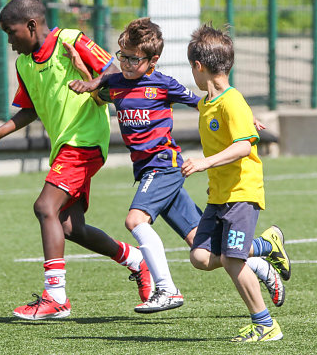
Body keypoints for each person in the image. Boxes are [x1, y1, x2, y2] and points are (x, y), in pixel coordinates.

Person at [68, 17, 287, 313]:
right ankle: (262, 263)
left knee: (135, 221)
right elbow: (98, 95)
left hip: (164, 166)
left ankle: (166, 290)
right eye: (123, 57)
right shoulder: (116, 83)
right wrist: (84, 74)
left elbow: (205, 103)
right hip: (146, 170)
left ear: (153, 60)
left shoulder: (163, 84)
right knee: (201, 247)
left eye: (135, 59)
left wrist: (245, 119)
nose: (128, 64)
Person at [0, 0, 154, 320]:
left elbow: (113, 73)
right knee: (71, 227)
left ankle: (56, 297)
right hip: (64, 146)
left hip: (85, 140)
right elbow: (30, 108)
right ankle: (136, 260)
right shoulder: (24, 64)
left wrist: (90, 78)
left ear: (31, 25)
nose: (9, 41)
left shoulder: (71, 40)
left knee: (45, 207)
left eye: (11, 32)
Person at [183, 22, 291, 342]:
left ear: (198, 67)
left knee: (232, 259)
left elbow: (245, 145)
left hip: (242, 192)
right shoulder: (208, 104)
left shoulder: (232, 101)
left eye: (192, 68)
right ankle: (265, 245)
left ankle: (265, 324)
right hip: (219, 194)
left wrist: (205, 163)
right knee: (200, 257)